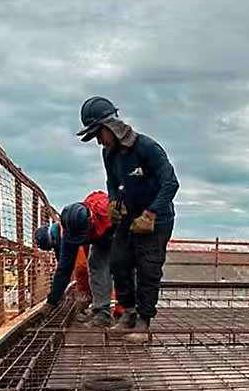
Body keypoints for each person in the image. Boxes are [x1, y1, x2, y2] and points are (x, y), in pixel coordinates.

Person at [77, 96, 180, 332]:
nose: (98, 142)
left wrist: (152, 213)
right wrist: (113, 200)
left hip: (157, 218)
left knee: (148, 267)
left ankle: (144, 321)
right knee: (118, 262)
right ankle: (129, 313)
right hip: (128, 217)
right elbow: (112, 181)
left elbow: (171, 184)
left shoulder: (147, 148)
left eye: (98, 135)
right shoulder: (109, 154)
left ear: (110, 127)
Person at [38, 191, 114, 327]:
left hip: (121, 230)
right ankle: (102, 312)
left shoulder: (107, 210)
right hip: (100, 235)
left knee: (125, 266)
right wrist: (51, 302)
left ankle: (129, 312)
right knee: (95, 263)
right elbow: (64, 269)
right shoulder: (69, 231)